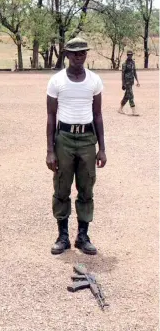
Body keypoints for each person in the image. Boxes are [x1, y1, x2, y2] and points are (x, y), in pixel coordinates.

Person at [46, 37, 106, 256]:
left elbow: (98, 115)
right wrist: (50, 150)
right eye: (74, 53)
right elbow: (51, 117)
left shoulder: (94, 81)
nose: (79, 56)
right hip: (64, 139)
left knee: (86, 188)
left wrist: (102, 148)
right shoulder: (57, 81)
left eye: (82, 53)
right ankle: (62, 237)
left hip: (87, 139)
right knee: (62, 187)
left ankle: (82, 236)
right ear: (67, 55)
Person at [118, 50, 140, 116]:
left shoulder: (133, 63)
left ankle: (120, 108)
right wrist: (123, 83)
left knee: (127, 96)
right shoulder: (124, 64)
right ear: (127, 55)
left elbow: (134, 72)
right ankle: (134, 110)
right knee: (131, 95)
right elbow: (122, 74)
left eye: (131, 54)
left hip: (131, 81)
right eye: (129, 54)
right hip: (127, 82)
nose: (130, 56)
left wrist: (137, 81)